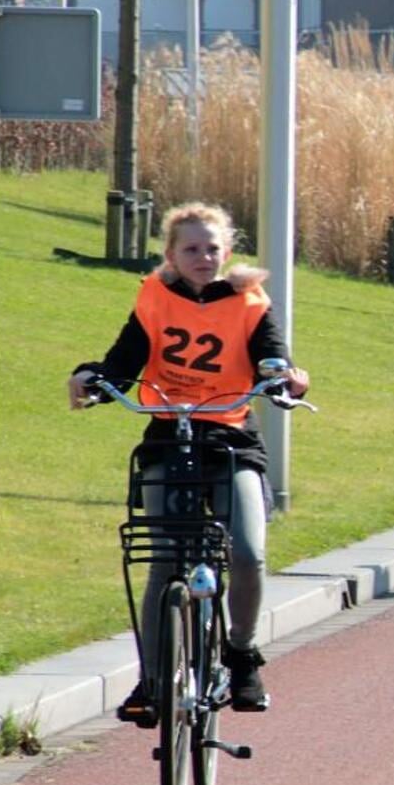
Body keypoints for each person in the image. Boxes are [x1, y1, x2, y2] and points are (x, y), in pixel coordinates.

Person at [68, 202, 309, 724]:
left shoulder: (248, 302)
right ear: (171, 256)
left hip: (230, 439)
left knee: (246, 552)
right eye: (192, 249)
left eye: (213, 248)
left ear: (227, 253)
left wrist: (287, 377)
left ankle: (241, 654)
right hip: (167, 438)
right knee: (162, 563)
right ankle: (154, 678)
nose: (204, 257)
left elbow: (273, 355)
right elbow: (123, 362)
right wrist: (93, 381)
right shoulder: (154, 299)